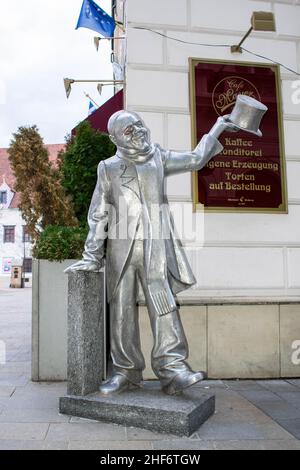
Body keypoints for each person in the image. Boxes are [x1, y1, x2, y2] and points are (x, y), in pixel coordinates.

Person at [65, 110, 238, 395]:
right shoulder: (107, 168)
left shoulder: (158, 157)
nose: (138, 132)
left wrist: (218, 127)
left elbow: (196, 159)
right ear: (115, 139)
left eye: (139, 125)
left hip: (155, 249)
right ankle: (125, 372)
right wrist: (92, 255)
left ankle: (173, 370)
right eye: (129, 131)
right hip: (122, 252)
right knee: (120, 313)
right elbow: (98, 214)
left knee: (164, 306)